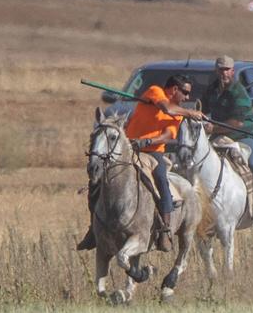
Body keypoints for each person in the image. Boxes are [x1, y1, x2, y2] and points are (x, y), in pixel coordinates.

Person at [78, 73, 201, 252]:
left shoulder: (178, 112)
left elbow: (169, 135)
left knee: (161, 179)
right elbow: (166, 108)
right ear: (175, 89)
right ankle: (93, 229)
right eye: (185, 92)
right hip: (129, 148)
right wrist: (192, 112)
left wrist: (148, 141)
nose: (187, 97)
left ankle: (165, 228)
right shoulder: (155, 91)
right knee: (97, 178)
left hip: (153, 153)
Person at [202, 55, 253, 226]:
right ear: (216, 70)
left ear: (232, 71)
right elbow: (202, 107)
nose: (223, 73)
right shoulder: (212, 90)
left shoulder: (238, 91)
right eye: (221, 69)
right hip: (218, 137)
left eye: (227, 70)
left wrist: (213, 128)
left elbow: (237, 123)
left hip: (243, 136)